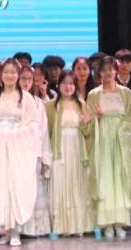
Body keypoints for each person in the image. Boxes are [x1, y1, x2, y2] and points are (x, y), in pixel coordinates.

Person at [0, 59, 41, 246]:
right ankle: (6, 228)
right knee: (1, 186)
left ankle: (15, 230)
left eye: (13, 72)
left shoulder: (26, 98)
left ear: (18, 74)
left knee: (16, 185)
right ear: (1, 74)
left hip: (18, 150)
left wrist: (17, 134)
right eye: (6, 72)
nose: (10, 75)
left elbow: (34, 124)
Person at [86, 57, 131, 239]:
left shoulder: (125, 93)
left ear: (116, 71)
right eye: (104, 70)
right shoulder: (94, 94)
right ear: (99, 73)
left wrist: (121, 130)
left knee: (121, 179)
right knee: (105, 178)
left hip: (121, 139)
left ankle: (120, 222)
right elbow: (88, 121)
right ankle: (107, 223)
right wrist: (97, 119)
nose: (107, 73)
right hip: (102, 139)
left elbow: (130, 117)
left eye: (110, 69)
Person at [46, 73, 93, 238]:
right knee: (60, 184)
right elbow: (48, 132)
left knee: (77, 185)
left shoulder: (82, 104)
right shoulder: (51, 105)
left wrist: (85, 124)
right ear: (58, 85)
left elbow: (88, 132)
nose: (68, 87)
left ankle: (77, 225)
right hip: (59, 150)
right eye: (65, 83)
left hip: (78, 150)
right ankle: (60, 226)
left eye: (71, 84)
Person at [18, 67, 51, 238]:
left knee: (34, 191)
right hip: (17, 153)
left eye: (29, 79)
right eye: (23, 78)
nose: (26, 82)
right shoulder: (12, 101)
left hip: (34, 153)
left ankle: (34, 228)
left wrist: (45, 157)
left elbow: (43, 132)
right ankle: (18, 228)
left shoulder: (38, 102)